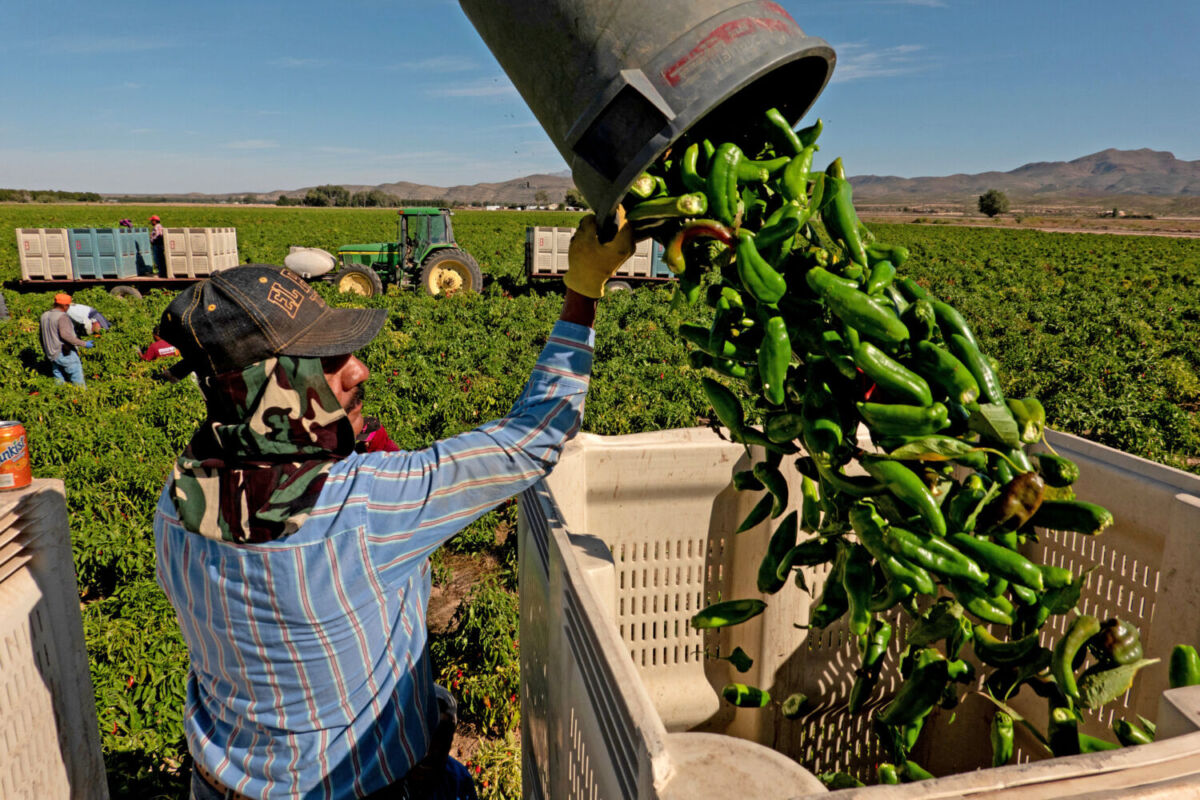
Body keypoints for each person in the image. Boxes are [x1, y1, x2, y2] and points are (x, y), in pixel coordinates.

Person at [153, 211, 636, 800]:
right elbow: (532, 438)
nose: (359, 369)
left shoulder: (176, 498)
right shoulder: (364, 506)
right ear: (272, 387)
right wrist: (583, 292)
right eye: (325, 362)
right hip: (361, 785)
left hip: (222, 775)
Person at [39, 292, 92, 386]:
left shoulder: (44, 315)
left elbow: (41, 336)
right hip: (64, 352)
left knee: (59, 379)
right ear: (64, 306)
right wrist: (84, 343)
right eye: (68, 306)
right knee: (77, 377)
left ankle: (61, 396)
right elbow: (66, 336)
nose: (68, 308)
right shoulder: (62, 316)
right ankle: (82, 397)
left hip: (51, 353)